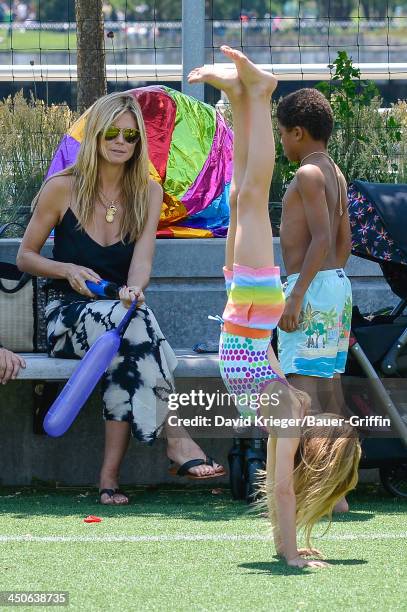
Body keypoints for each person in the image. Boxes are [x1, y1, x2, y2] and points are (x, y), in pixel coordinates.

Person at [188, 46, 361, 568]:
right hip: (249, 313)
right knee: (248, 193)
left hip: (248, 313)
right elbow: (281, 493)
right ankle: (252, 95)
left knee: (245, 194)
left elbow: (281, 492)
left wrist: (291, 548)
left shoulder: (289, 411)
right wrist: (290, 554)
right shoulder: (287, 411)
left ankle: (245, 96)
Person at [17, 91, 224, 505]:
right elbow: (25, 256)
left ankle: (109, 479)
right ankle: (175, 436)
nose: (120, 142)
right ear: (95, 135)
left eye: (130, 137)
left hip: (119, 315)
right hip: (66, 315)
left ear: (138, 144)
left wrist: (134, 289)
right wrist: (67, 269)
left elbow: (142, 260)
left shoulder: (147, 192)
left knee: (128, 344)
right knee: (135, 331)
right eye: (112, 132)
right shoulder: (61, 188)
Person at [276, 89, 353, 512]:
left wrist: (299, 293)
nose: (281, 142)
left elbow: (321, 238)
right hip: (336, 283)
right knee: (329, 391)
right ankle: (338, 489)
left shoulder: (307, 174)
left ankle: (318, 488)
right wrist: (332, 286)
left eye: (282, 133)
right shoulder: (333, 171)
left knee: (302, 391)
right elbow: (344, 240)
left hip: (312, 286)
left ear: (299, 132)